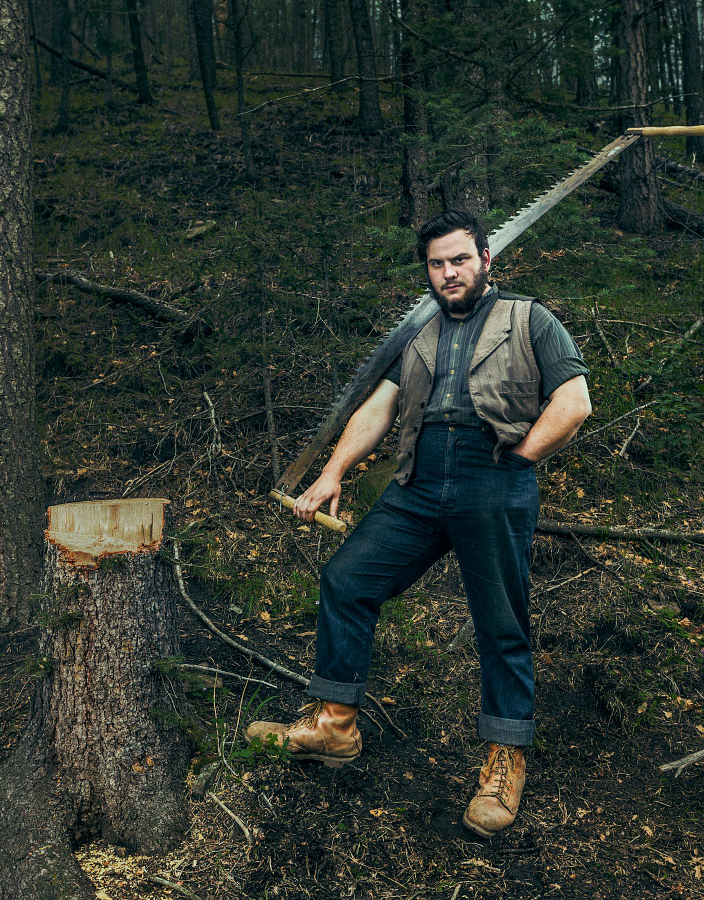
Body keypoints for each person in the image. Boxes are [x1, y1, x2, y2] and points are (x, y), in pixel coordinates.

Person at [247, 210, 592, 838]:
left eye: (459, 259)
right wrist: (333, 473)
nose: (449, 272)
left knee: (501, 622)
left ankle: (504, 758)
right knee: (348, 580)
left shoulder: (530, 319)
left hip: (494, 476)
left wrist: (518, 461)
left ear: (486, 259)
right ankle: (335, 726)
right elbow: (380, 407)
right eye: (437, 263)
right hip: (419, 482)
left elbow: (574, 402)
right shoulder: (420, 333)